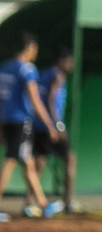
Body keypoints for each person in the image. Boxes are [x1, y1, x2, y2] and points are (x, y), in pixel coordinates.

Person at [0, 32, 59, 220]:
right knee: (11, 161)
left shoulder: (6, 67)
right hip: (21, 121)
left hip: (6, 120)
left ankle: (42, 204)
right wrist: (50, 124)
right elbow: (35, 99)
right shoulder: (27, 69)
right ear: (30, 48)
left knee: (28, 163)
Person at [32, 48, 79, 216]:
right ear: (61, 61)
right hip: (51, 127)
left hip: (38, 125)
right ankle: (67, 201)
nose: (71, 65)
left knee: (38, 163)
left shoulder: (42, 74)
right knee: (70, 158)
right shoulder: (57, 76)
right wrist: (57, 125)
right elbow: (51, 100)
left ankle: (30, 202)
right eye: (69, 61)